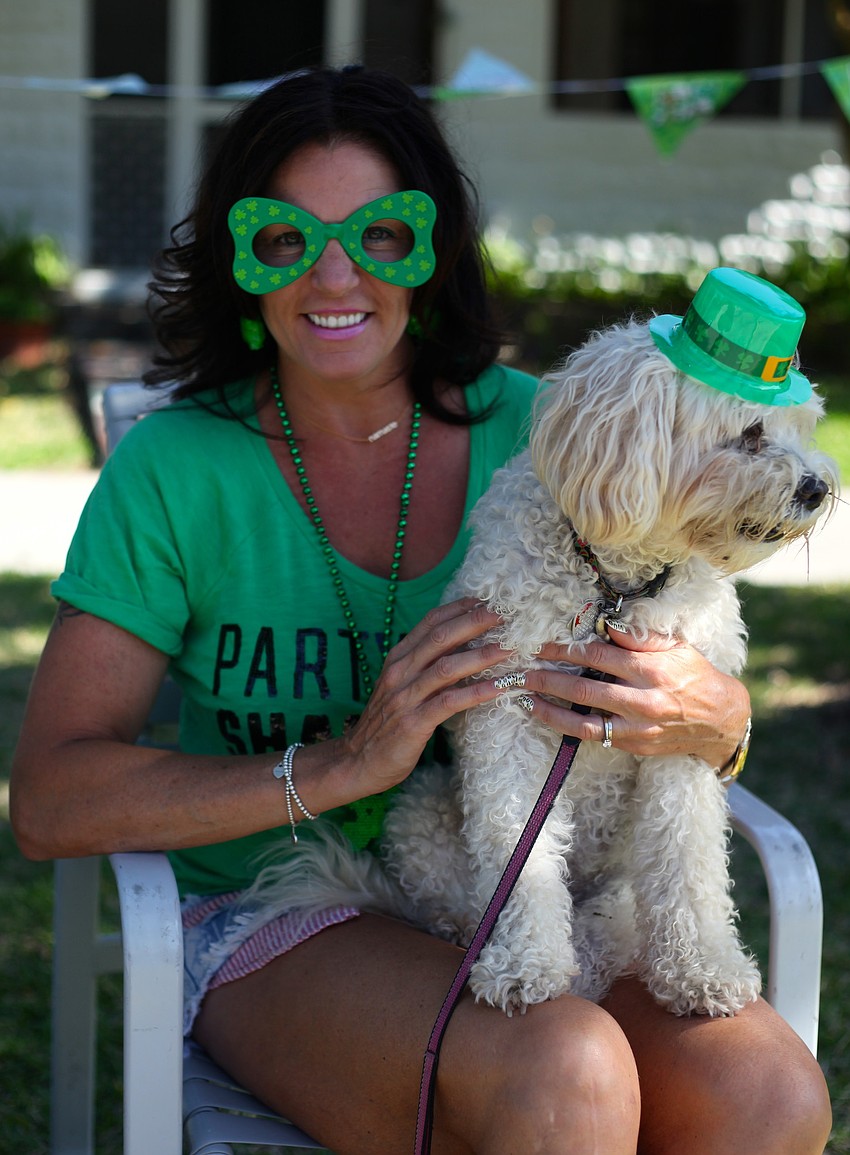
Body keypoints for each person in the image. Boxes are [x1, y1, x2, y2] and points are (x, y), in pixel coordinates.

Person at [11, 65, 830, 1154]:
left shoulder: (561, 442)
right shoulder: (177, 467)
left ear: (432, 249)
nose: (334, 272)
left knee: (766, 1099)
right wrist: (345, 764)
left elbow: (693, 635)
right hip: (286, 905)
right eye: (285, 236)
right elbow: (53, 801)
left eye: (381, 236)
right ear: (238, 257)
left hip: (556, 886)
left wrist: (717, 726)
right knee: (564, 1073)